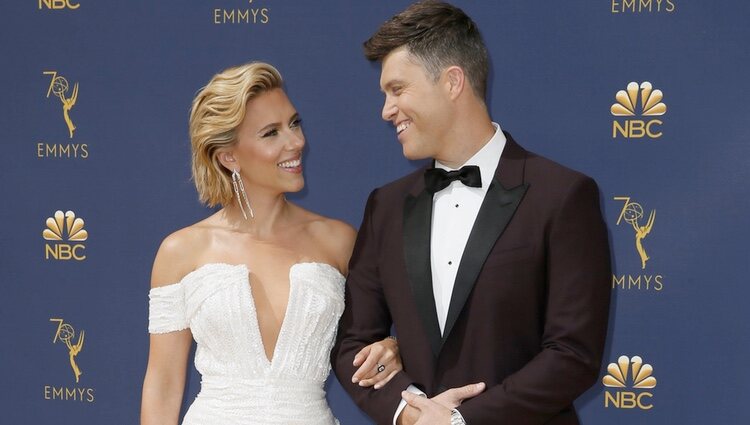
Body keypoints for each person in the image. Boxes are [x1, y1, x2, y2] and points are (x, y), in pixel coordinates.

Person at [331, 1, 612, 424]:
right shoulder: (385, 206)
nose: (386, 110)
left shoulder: (563, 195)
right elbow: (353, 342)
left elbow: (573, 354)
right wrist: (408, 411)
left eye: (397, 89)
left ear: (452, 82)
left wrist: (462, 420)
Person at [140, 62, 402, 425]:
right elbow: (164, 383)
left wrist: (393, 347)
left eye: (294, 123)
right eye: (271, 133)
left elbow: (370, 341)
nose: (296, 142)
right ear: (228, 156)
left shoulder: (338, 240)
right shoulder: (180, 252)